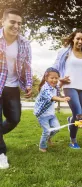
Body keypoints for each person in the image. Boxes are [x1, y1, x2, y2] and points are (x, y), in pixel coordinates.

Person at [0, 8, 32, 169]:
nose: (16, 26)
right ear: (3, 21)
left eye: (19, 23)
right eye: (12, 22)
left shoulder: (24, 43)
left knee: (14, 119)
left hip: (12, 86)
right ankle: (1, 154)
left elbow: (27, 66)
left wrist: (28, 84)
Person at [34, 68, 70, 152]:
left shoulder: (54, 87)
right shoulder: (45, 88)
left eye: (56, 78)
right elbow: (52, 97)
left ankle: (48, 138)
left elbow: (58, 86)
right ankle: (42, 146)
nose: (54, 80)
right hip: (42, 115)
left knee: (56, 128)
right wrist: (62, 99)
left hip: (51, 114)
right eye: (52, 78)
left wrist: (62, 81)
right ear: (46, 78)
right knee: (46, 131)